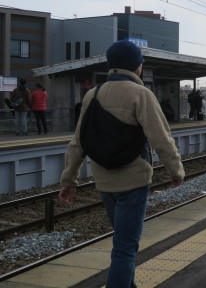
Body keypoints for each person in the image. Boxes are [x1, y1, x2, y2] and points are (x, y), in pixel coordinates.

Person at [58, 40, 185, 288]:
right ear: (137, 66)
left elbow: (77, 142)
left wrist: (68, 180)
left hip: (104, 183)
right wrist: (176, 171)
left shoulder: (92, 94)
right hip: (134, 181)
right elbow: (162, 139)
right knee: (125, 249)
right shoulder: (141, 94)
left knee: (123, 242)